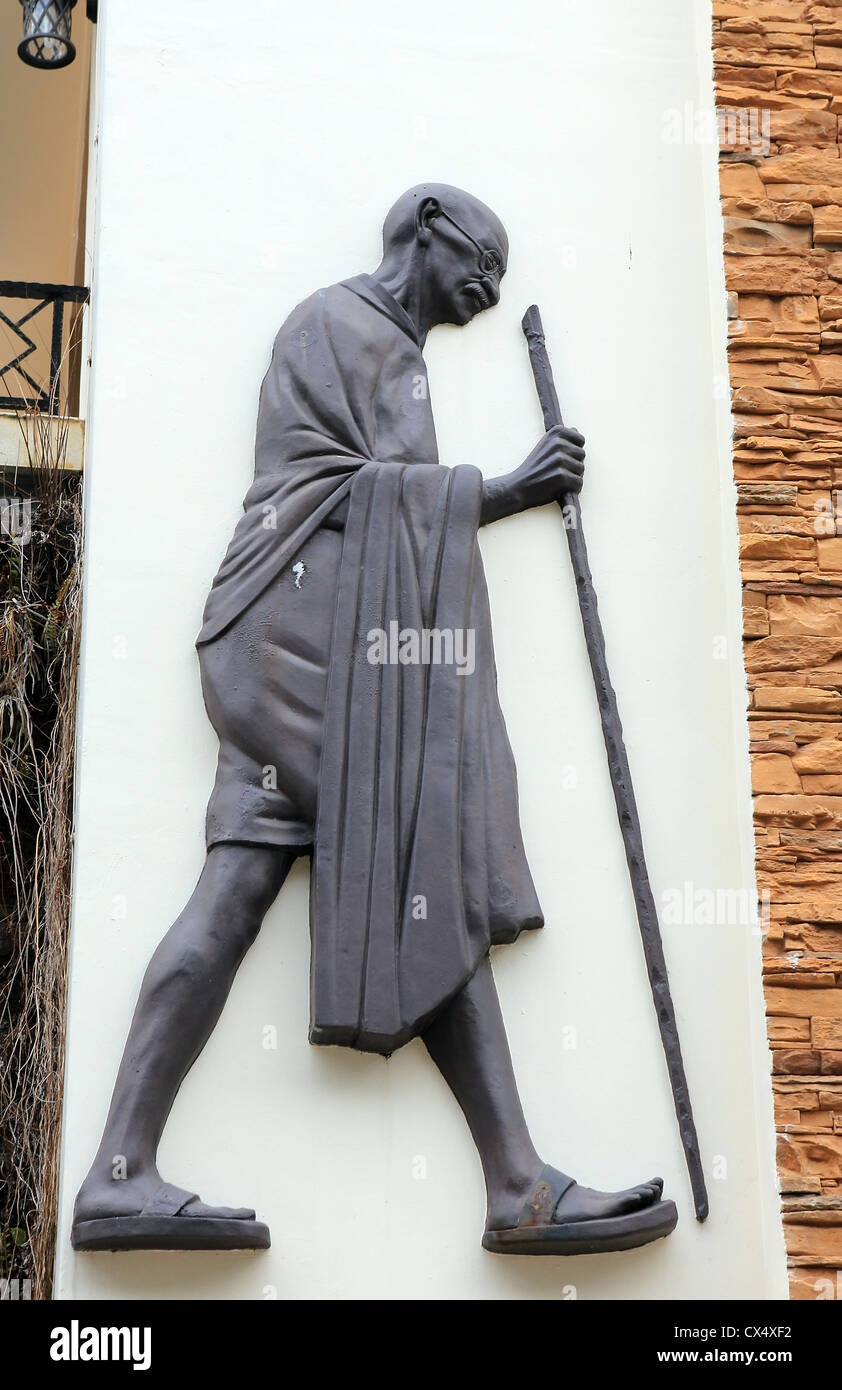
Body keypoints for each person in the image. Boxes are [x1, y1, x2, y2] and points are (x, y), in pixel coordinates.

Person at [72, 184, 677, 1256]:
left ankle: (122, 1171)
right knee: (415, 855)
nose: (488, 295)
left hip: (319, 648)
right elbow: (355, 491)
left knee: (255, 883)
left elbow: (385, 497)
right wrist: (510, 487)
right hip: (293, 639)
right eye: (482, 262)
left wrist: (483, 494)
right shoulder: (337, 324)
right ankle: (516, 1181)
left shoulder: (388, 340)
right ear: (428, 225)